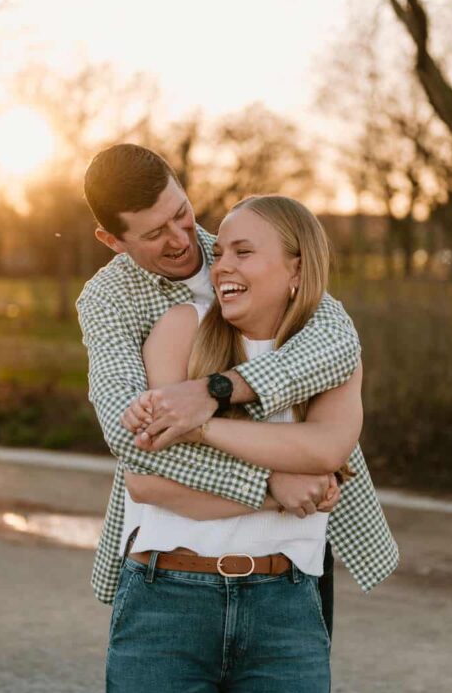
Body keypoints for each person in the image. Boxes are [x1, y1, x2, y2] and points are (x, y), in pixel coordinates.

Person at [105, 194, 365, 693]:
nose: (221, 265)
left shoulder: (330, 348)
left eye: (244, 252)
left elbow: (327, 447)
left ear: (297, 268)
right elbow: (147, 479)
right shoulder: (180, 329)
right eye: (220, 251)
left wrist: (200, 422)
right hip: (165, 607)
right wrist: (277, 485)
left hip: (286, 617)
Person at [77, 145, 398, 635]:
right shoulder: (108, 301)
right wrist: (270, 484)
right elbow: (128, 433)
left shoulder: (245, 247)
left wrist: (217, 390)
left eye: (181, 213)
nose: (181, 238)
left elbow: (336, 342)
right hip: (183, 537)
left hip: (299, 535)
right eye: (154, 233)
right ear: (112, 239)